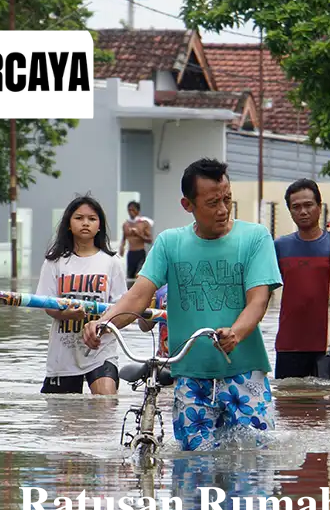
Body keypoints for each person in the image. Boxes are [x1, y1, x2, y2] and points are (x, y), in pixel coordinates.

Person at [84, 158, 282, 451]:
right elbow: (138, 296)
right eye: (213, 202)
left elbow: (259, 299)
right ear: (187, 205)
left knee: (255, 464)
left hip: (245, 374)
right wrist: (105, 323)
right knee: (193, 471)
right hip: (189, 377)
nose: (223, 210)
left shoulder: (255, 238)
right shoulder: (169, 243)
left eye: (227, 199)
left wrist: (236, 333)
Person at [35, 196, 127, 396]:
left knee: (106, 404)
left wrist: (102, 325)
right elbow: (46, 302)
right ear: (68, 224)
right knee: (64, 421)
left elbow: (124, 309)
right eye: (79, 218)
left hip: (101, 348)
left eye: (92, 219)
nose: (85, 223)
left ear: (100, 225)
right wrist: (64, 314)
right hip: (64, 353)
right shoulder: (55, 262)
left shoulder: (112, 262)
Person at [273, 178, 330, 380]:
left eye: (308, 205)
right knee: (288, 404)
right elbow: (264, 292)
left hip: (327, 342)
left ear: (319, 208)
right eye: (296, 207)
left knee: (325, 404)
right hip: (289, 343)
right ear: (290, 211)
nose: (303, 211)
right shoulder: (280, 247)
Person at [119, 201, 154, 281]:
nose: (131, 212)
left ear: (138, 211)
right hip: (131, 253)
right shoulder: (126, 224)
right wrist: (122, 247)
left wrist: (139, 235)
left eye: (133, 210)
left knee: (139, 276)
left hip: (140, 253)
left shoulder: (144, 223)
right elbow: (124, 237)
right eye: (129, 210)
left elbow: (150, 240)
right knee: (130, 276)